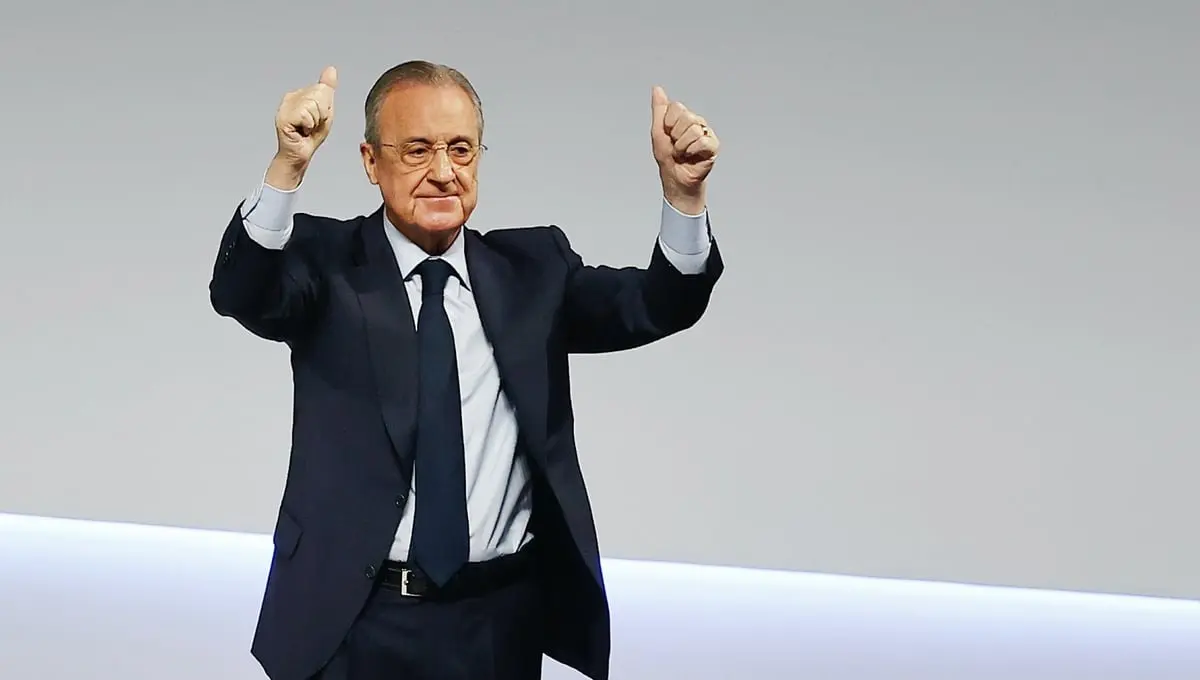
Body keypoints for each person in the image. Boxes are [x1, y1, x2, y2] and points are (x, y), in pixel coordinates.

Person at [208, 60, 724, 680]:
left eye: (460, 149)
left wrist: (684, 197)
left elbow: (659, 304)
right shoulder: (328, 262)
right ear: (371, 162)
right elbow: (241, 291)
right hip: (352, 621)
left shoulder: (534, 271)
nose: (443, 172)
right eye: (417, 150)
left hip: (497, 622)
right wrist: (288, 165)